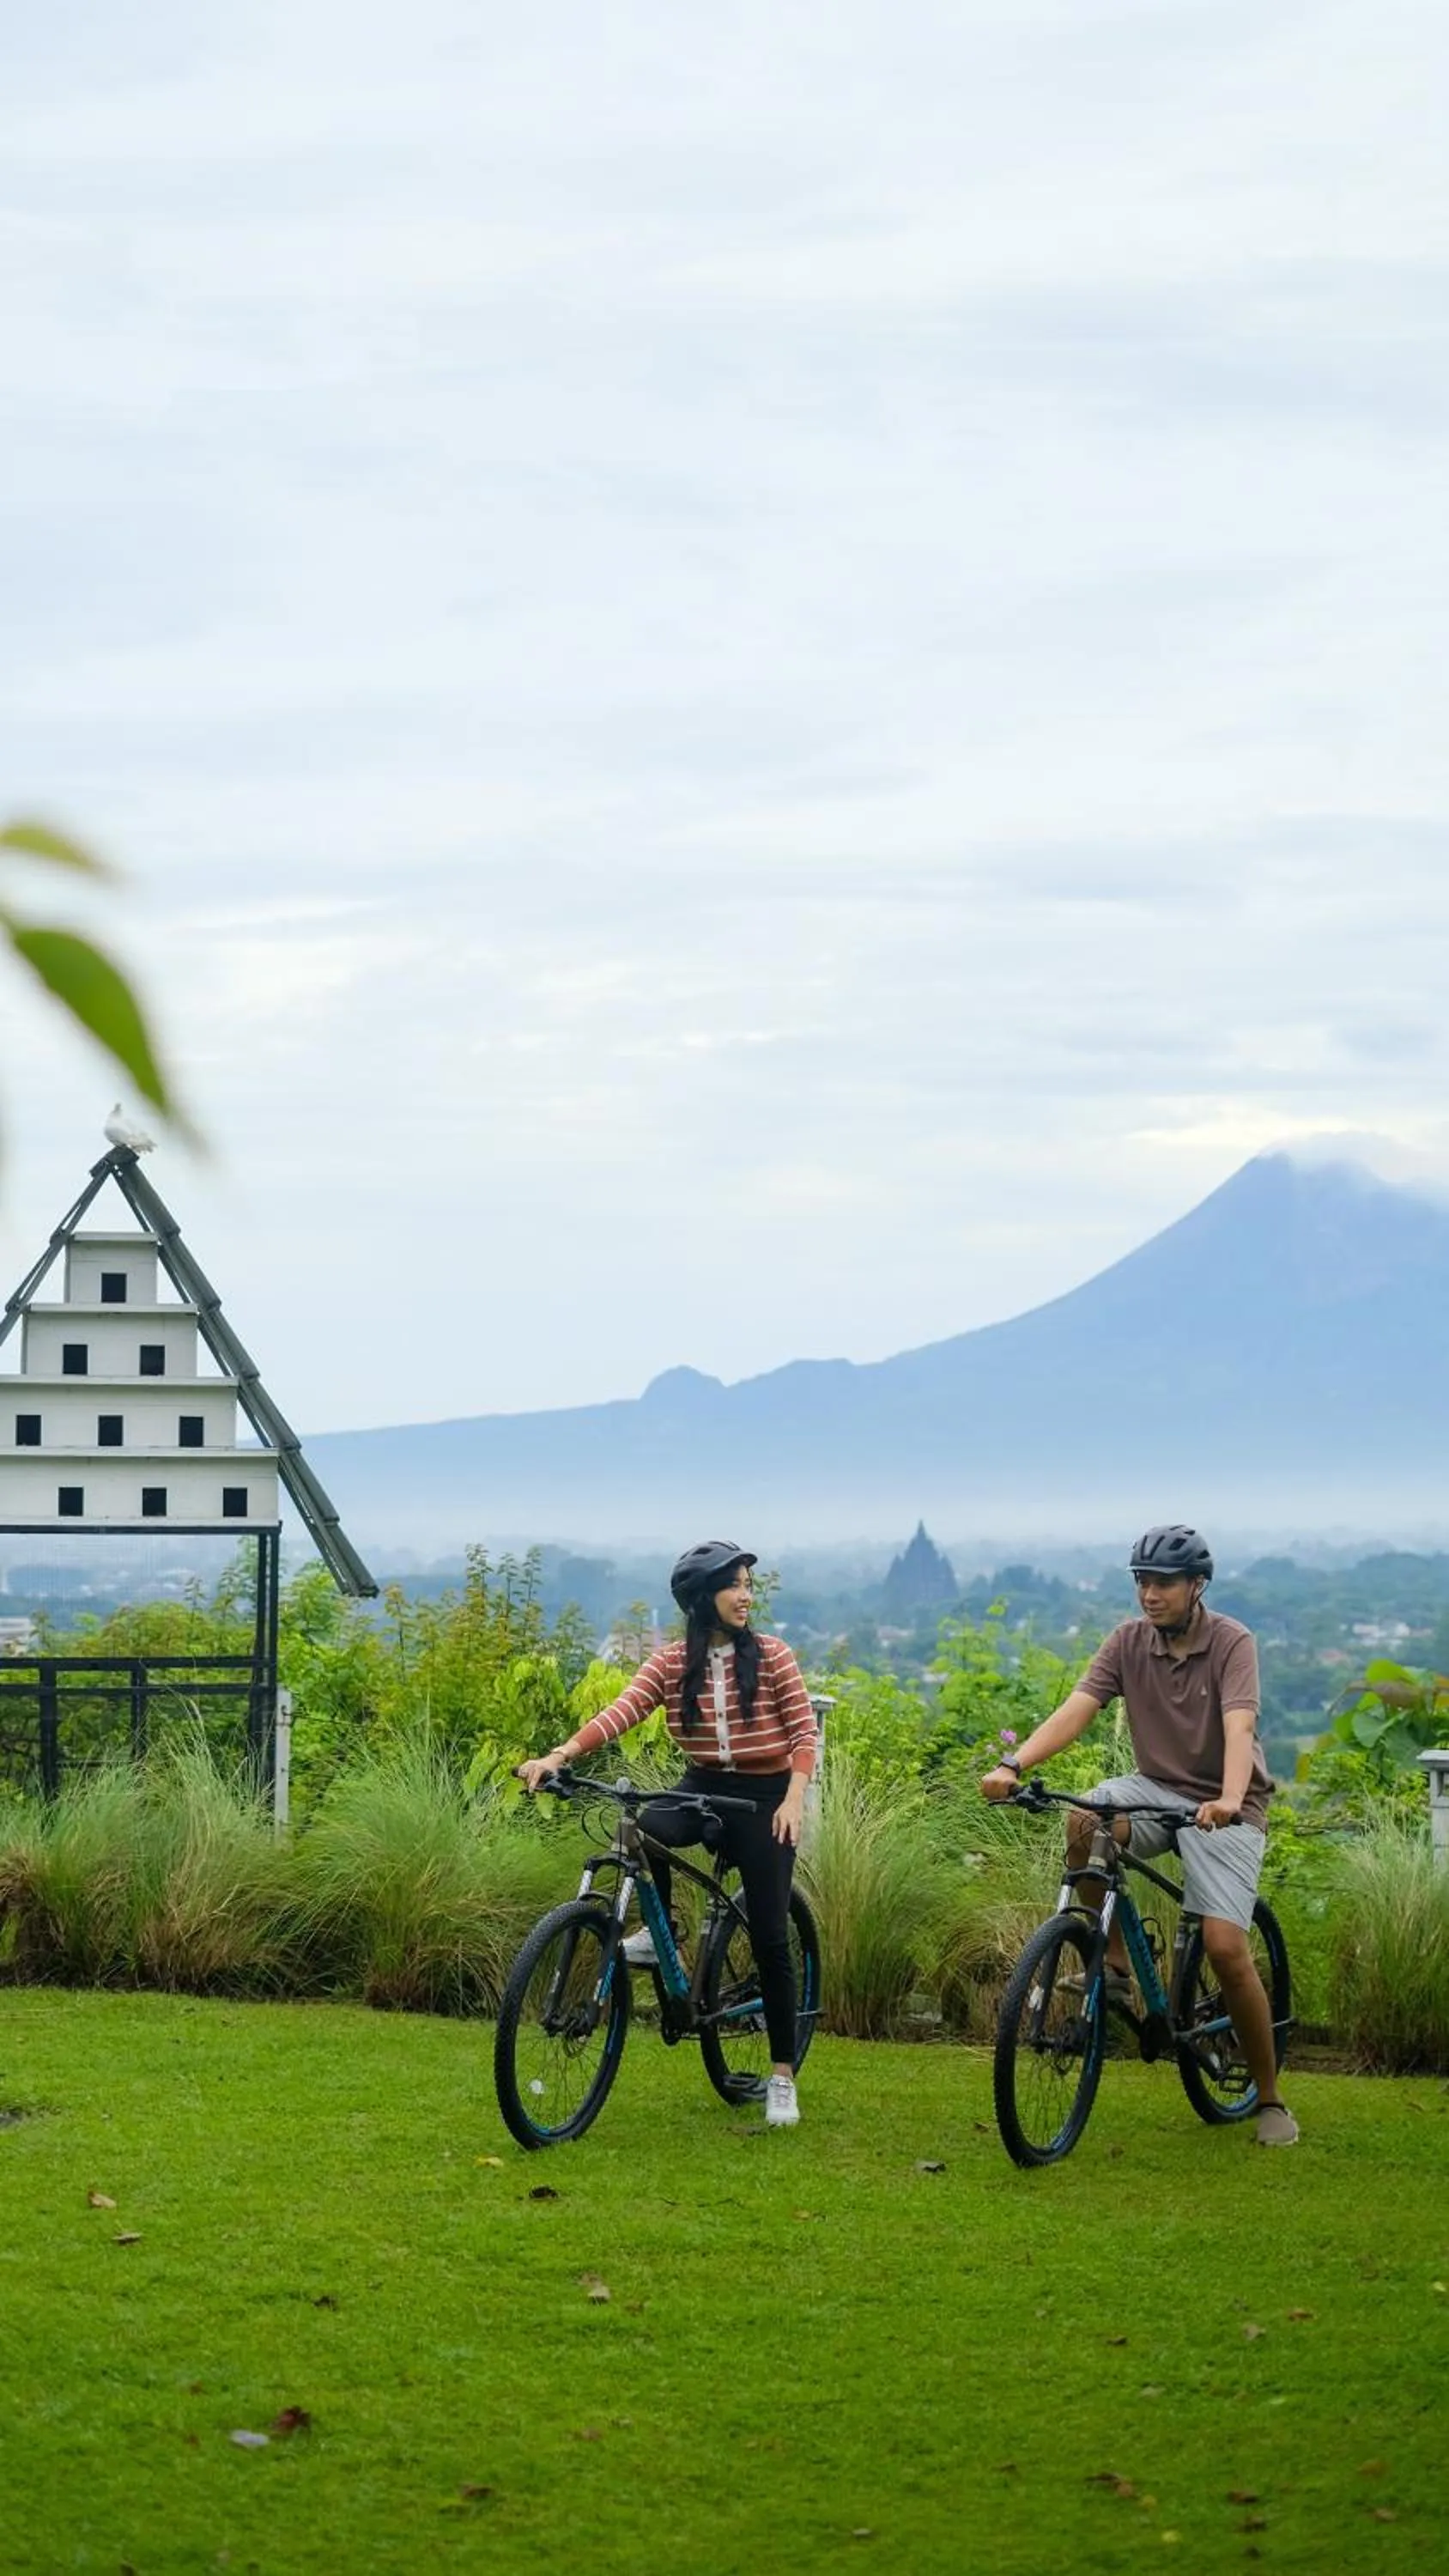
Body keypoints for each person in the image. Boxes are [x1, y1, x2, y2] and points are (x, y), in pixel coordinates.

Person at [980, 1524, 1298, 2147]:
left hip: (1226, 1803)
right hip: (1155, 1788)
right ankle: (1119, 1965)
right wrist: (1015, 1765)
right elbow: (1079, 1707)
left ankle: (1270, 2098)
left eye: (1163, 1584)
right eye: (1142, 1583)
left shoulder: (1233, 1642)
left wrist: (1230, 1799)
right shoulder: (1128, 1642)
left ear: (1196, 1586)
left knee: (1226, 1948)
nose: (1149, 1595)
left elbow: (1239, 1729)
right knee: (1086, 1818)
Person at [518, 1540, 818, 2129]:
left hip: (764, 1799)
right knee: (640, 1825)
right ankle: (662, 1937)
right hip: (700, 1785)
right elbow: (620, 1712)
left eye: (748, 1585)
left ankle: (782, 2077)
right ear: (702, 1598)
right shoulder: (670, 1663)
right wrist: (559, 1755)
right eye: (734, 1585)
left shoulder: (775, 1656)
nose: (746, 1595)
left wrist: (793, 1800)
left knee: (769, 1937)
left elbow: (804, 1734)